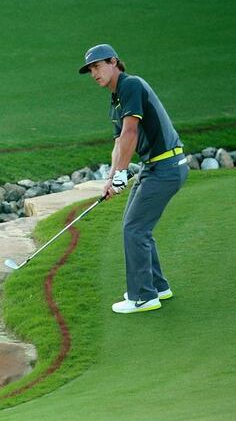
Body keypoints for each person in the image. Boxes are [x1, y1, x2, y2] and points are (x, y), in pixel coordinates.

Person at [79, 44, 189, 314]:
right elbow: (119, 143)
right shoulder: (116, 99)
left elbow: (131, 133)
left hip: (167, 166)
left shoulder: (131, 85)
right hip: (153, 167)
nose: (94, 73)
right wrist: (113, 176)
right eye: (91, 69)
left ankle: (143, 296)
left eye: (98, 66)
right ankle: (158, 287)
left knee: (134, 229)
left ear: (114, 62)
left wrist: (121, 174)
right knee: (135, 225)